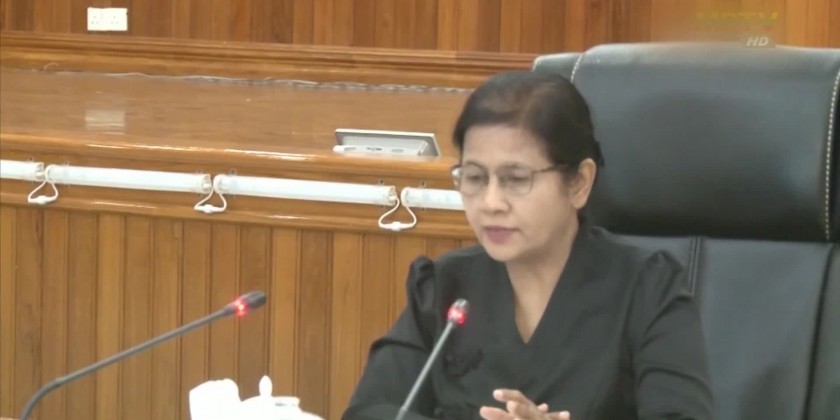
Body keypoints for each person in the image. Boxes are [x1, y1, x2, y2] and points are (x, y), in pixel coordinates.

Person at [342, 71, 714, 420]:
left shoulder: (648, 289)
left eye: (516, 179)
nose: (490, 202)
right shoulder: (444, 288)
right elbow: (370, 411)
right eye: (474, 177)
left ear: (579, 183)